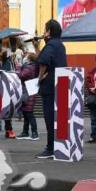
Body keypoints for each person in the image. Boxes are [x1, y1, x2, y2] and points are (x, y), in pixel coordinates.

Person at [34, 19, 67, 159]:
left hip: (49, 86)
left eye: (45, 29)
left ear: (49, 31)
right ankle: (57, 146)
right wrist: (37, 47)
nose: (43, 32)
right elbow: (44, 58)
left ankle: (50, 148)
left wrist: (40, 78)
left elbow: (43, 62)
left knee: (49, 117)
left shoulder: (51, 45)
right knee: (56, 118)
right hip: (59, 85)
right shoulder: (59, 45)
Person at [16, 52, 39, 140]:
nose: (24, 57)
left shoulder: (29, 67)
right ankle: (25, 132)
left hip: (28, 91)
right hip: (29, 90)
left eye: (26, 56)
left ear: (29, 58)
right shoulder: (32, 66)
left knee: (29, 113)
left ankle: (34, 133)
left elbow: (21, 75)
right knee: (26, 113)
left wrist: (18, 68)